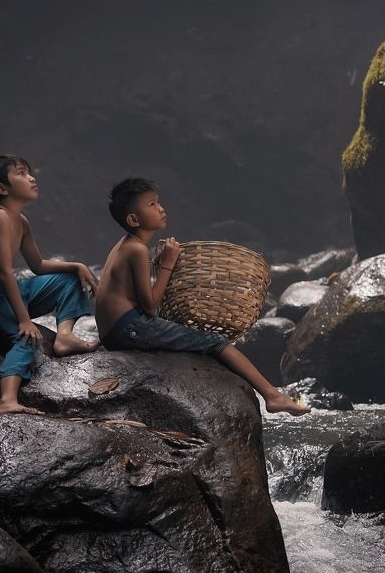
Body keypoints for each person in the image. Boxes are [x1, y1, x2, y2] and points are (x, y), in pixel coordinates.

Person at [95, 177, 310, 416]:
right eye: (152, 205)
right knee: (216, 342)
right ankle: (273, 396)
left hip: (113, 331)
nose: (161, 208)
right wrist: (167, 264)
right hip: (130, 330)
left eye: (158, 202)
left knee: (189, 333)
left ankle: (272, 395)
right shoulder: (136, 249)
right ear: (133, 219)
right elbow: (149, 305)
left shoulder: (124, 245)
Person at [0, 154, 99, 415]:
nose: (32, 178)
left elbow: (38, 265)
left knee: (68, 278)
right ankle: (7, 400)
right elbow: (4, 271)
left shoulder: (21, 222)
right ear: (2, 188)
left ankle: (65, 336)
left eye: (30, 173)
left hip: (6, 290)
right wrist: (25, 320)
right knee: (25, 339)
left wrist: (77, 266)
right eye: (22, 173)